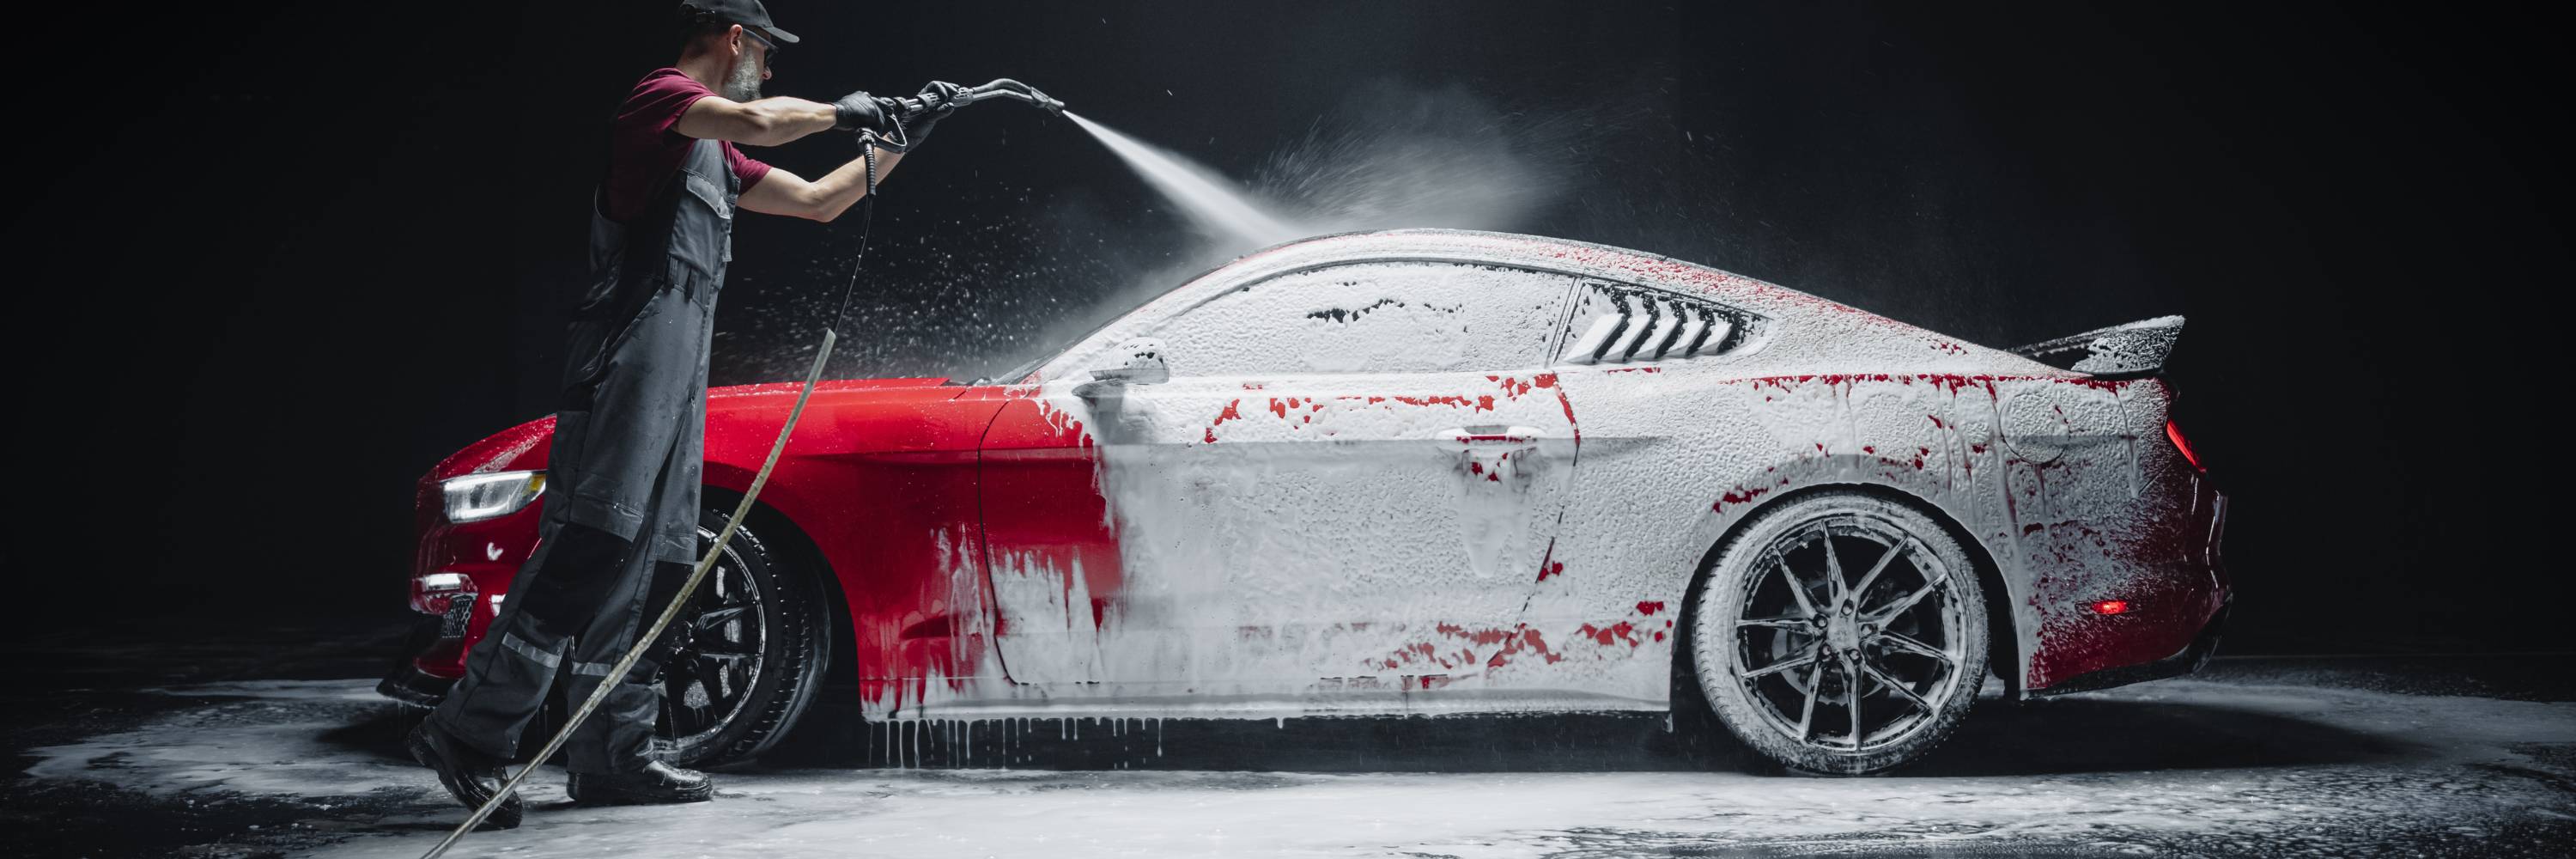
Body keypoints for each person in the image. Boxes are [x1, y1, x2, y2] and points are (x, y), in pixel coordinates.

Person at [406, 0, 964, 826]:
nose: (770, 69)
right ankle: (469, 731)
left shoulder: (718, 156)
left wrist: (899, 140)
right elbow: (761, 120)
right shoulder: (662, 101)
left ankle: (613, 752)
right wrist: (842, 110)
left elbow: (818, 201)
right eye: (767, 52)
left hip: (678, 369)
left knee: (663, 563)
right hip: (625, 360)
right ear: (735, 39)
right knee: (592, 544)